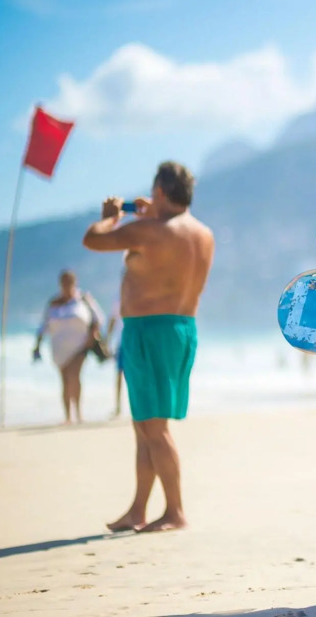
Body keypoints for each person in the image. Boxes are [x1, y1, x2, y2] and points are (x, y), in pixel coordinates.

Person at [83, 161, 215, 533]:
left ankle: (175, 512)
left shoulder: (150, 230)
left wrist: (111, 217)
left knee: (154, 429)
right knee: (144, 424)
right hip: (181, 329)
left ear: (159, 191)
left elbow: (92, 239)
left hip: (149, 331)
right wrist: (152, 215)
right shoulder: (202, 233)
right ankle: (138, 510)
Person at [33, 269, 105, 425]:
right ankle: (68, 416)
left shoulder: (83, 299)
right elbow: (43, 326)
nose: (66, 286)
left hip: (80, 346)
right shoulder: (53, 303)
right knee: (65, 380)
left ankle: (78, 413)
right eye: (63, 283)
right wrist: (37, 345)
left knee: (74, 376)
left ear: (74, 283)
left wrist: (91, 337)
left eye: (69, 282)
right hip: (59, 348)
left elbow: (98, 319)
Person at [106, 298, 125, 418]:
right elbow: (113, 320)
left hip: (134, 341)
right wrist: (107, 341)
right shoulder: (118, 298)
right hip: (121, 342)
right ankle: (118, 407)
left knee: (134, 375)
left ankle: (139, 406)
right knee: (119, 375)